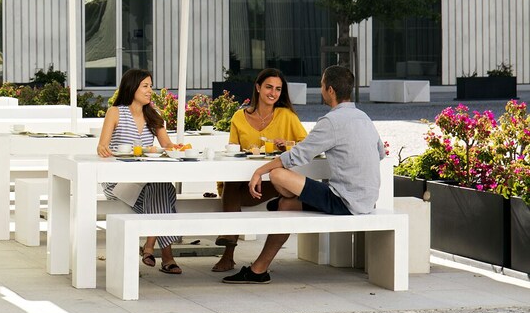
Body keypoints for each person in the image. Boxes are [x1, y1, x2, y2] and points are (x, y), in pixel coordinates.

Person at [221, 65, 384, 284]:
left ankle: (259, 265)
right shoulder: (363, 117)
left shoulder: (331, 121)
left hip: (343, 200)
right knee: (286, 205)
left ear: (330, 90)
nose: (321, 89)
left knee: (277, 174)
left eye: (322, 85)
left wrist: (260, 170)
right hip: (366, 199)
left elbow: (298, 155)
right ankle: (258, 270)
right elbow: (381, 153)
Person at [212, 68, 307, 272]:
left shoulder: (287, 116)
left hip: (273, 182)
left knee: (233, 191)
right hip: (244, 183)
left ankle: (228, 248)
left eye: (278, 89)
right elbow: (233, 150)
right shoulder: (239, 116)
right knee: (231, 185)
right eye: (269, 87)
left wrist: (287, 145)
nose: (273, 93)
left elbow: (307, 145)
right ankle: (229, 245)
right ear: (258, 87)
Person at [96, 69, 184, 274]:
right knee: (165, 190)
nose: (150, 90)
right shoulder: (115, 112)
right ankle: (165, 254)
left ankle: (150, 245)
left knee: (160, 187)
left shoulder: (153, 115)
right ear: (132, 87)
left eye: (150, 86)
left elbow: (167, 145)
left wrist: (177, 148)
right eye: (145, 86)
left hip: (146, 180)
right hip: (118, 182)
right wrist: (102, 149)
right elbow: (102, 145)